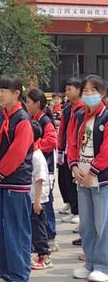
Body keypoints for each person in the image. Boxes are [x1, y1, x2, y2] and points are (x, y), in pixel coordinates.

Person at [0, 75, 34, 282]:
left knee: (16, 230)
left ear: (16, 93)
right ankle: (6, 274)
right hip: (0, 182)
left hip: (15, 183)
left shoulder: (22, 119)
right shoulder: (1, 117)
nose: (0, 94)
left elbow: (17, 152)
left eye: (4, 90)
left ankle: (21, 276)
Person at [67, 75, 108, 282]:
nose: (89, 95)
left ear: (102, 94)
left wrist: (92, 171)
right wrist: (74, 166)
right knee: (87, 225)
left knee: (103, 224)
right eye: (86, 91)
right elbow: (72, 143)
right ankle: (90, 262)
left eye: (94, 91)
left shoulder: (106, 116)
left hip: (100, 180)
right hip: (81, 178)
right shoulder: (79, 115)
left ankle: (103, 265)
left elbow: (106, 150)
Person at [25, 89, 58, 250]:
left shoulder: (44, 120)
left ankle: (50, 236)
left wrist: (34, 146)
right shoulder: (33, 118)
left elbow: (52, 141)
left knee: (46, 203)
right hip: (37, 167)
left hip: (45, 167)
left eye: (28, 102)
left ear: (37, 104)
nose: (26, 105)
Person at [58, 78, 83, 227]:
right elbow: (62, 129)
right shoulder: (68, 108)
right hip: (67, 149)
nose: (67, 93)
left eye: (70, 89)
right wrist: (60, 148)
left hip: (78, 150)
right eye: (66, 90)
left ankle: (79, 211)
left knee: (75, 183)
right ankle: (73, 208)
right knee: (67, 181)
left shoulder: (82, 109)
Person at [29, 120, 53, 270]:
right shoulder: (31, 153)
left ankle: (44, 256)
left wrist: (37, 201)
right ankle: (39, 254)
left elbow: (39, 180)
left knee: (39, 228)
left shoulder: (37, 156)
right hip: (31, 197)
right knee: (33, 226)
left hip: (37, 198)